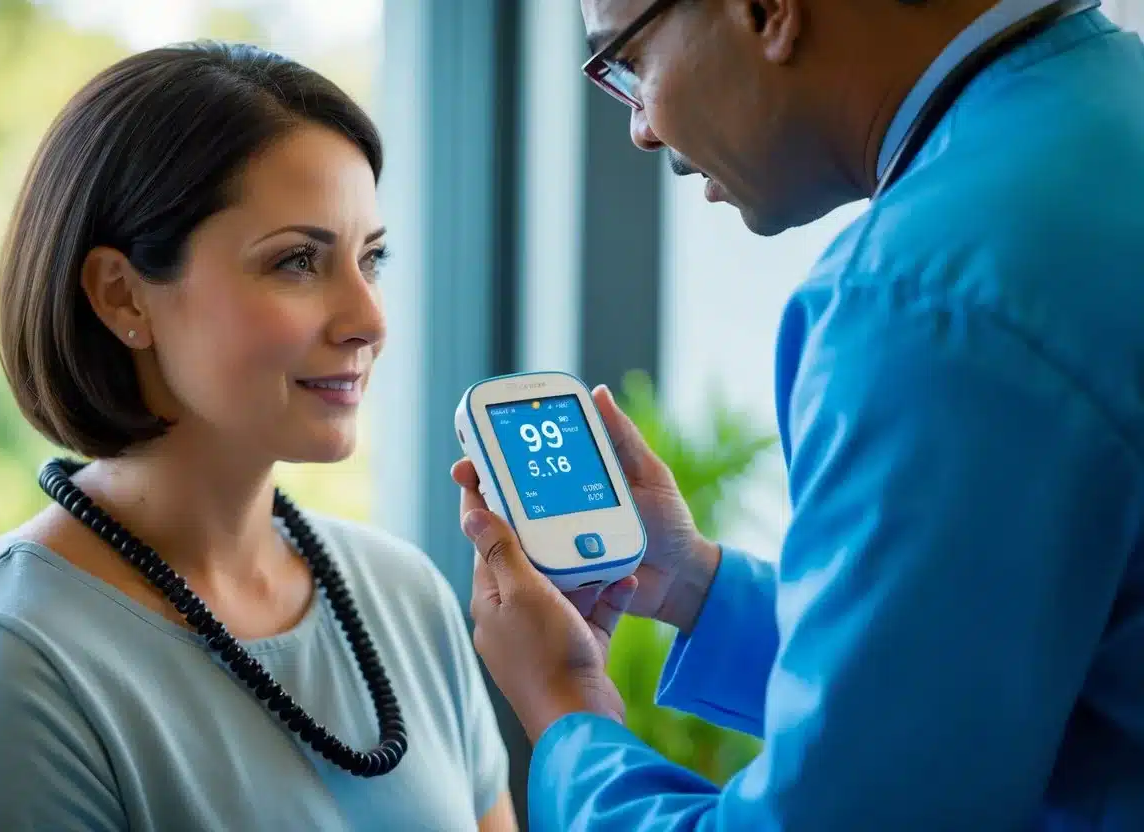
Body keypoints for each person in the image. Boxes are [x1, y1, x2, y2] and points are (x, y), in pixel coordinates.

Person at [452, 0, 1144, 829]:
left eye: (629, 62)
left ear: (766, 10)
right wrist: (692, 585)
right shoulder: (1109, 113)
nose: (639, 128)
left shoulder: (917, 299)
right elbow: (981, 688)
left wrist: (565, 711)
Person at [0, 41, 517, 831]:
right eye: (297, 261)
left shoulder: (406, 597)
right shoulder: (5, 663)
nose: (369, 320)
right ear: (122, 296)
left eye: (371, 259)